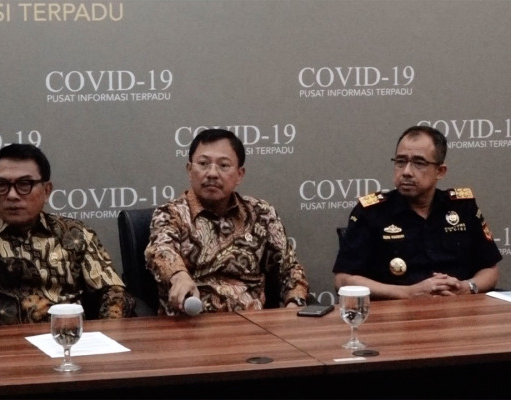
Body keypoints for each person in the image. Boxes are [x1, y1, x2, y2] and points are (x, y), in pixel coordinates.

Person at [0, 143, 134, 326]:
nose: (12, 195)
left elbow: (112, 290)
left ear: (46, 190)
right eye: (2, 185)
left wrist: (106, 334)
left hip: (64, 343)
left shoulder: (74, 233)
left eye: (24, 184)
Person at [144, 128, 310, 315]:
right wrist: (178, 276)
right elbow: (160, 250)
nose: (212, 173)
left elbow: (290, 269)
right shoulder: (171, 214)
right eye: (203, 163)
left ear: (240, 174)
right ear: (190, 170)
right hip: (191, 322)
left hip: (253, 323)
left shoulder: (261, 213)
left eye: (223, 165)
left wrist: (294, 304)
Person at [333, 125, 501, 299]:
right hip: (396, 311)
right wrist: (408, 293)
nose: (406, 172)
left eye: (419, 163)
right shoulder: (371, 212)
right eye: (400, 161)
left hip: (458, 309)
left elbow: (490, 269)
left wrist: (467, 287)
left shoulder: (463, 208)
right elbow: (343, 280)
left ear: (440, 171)